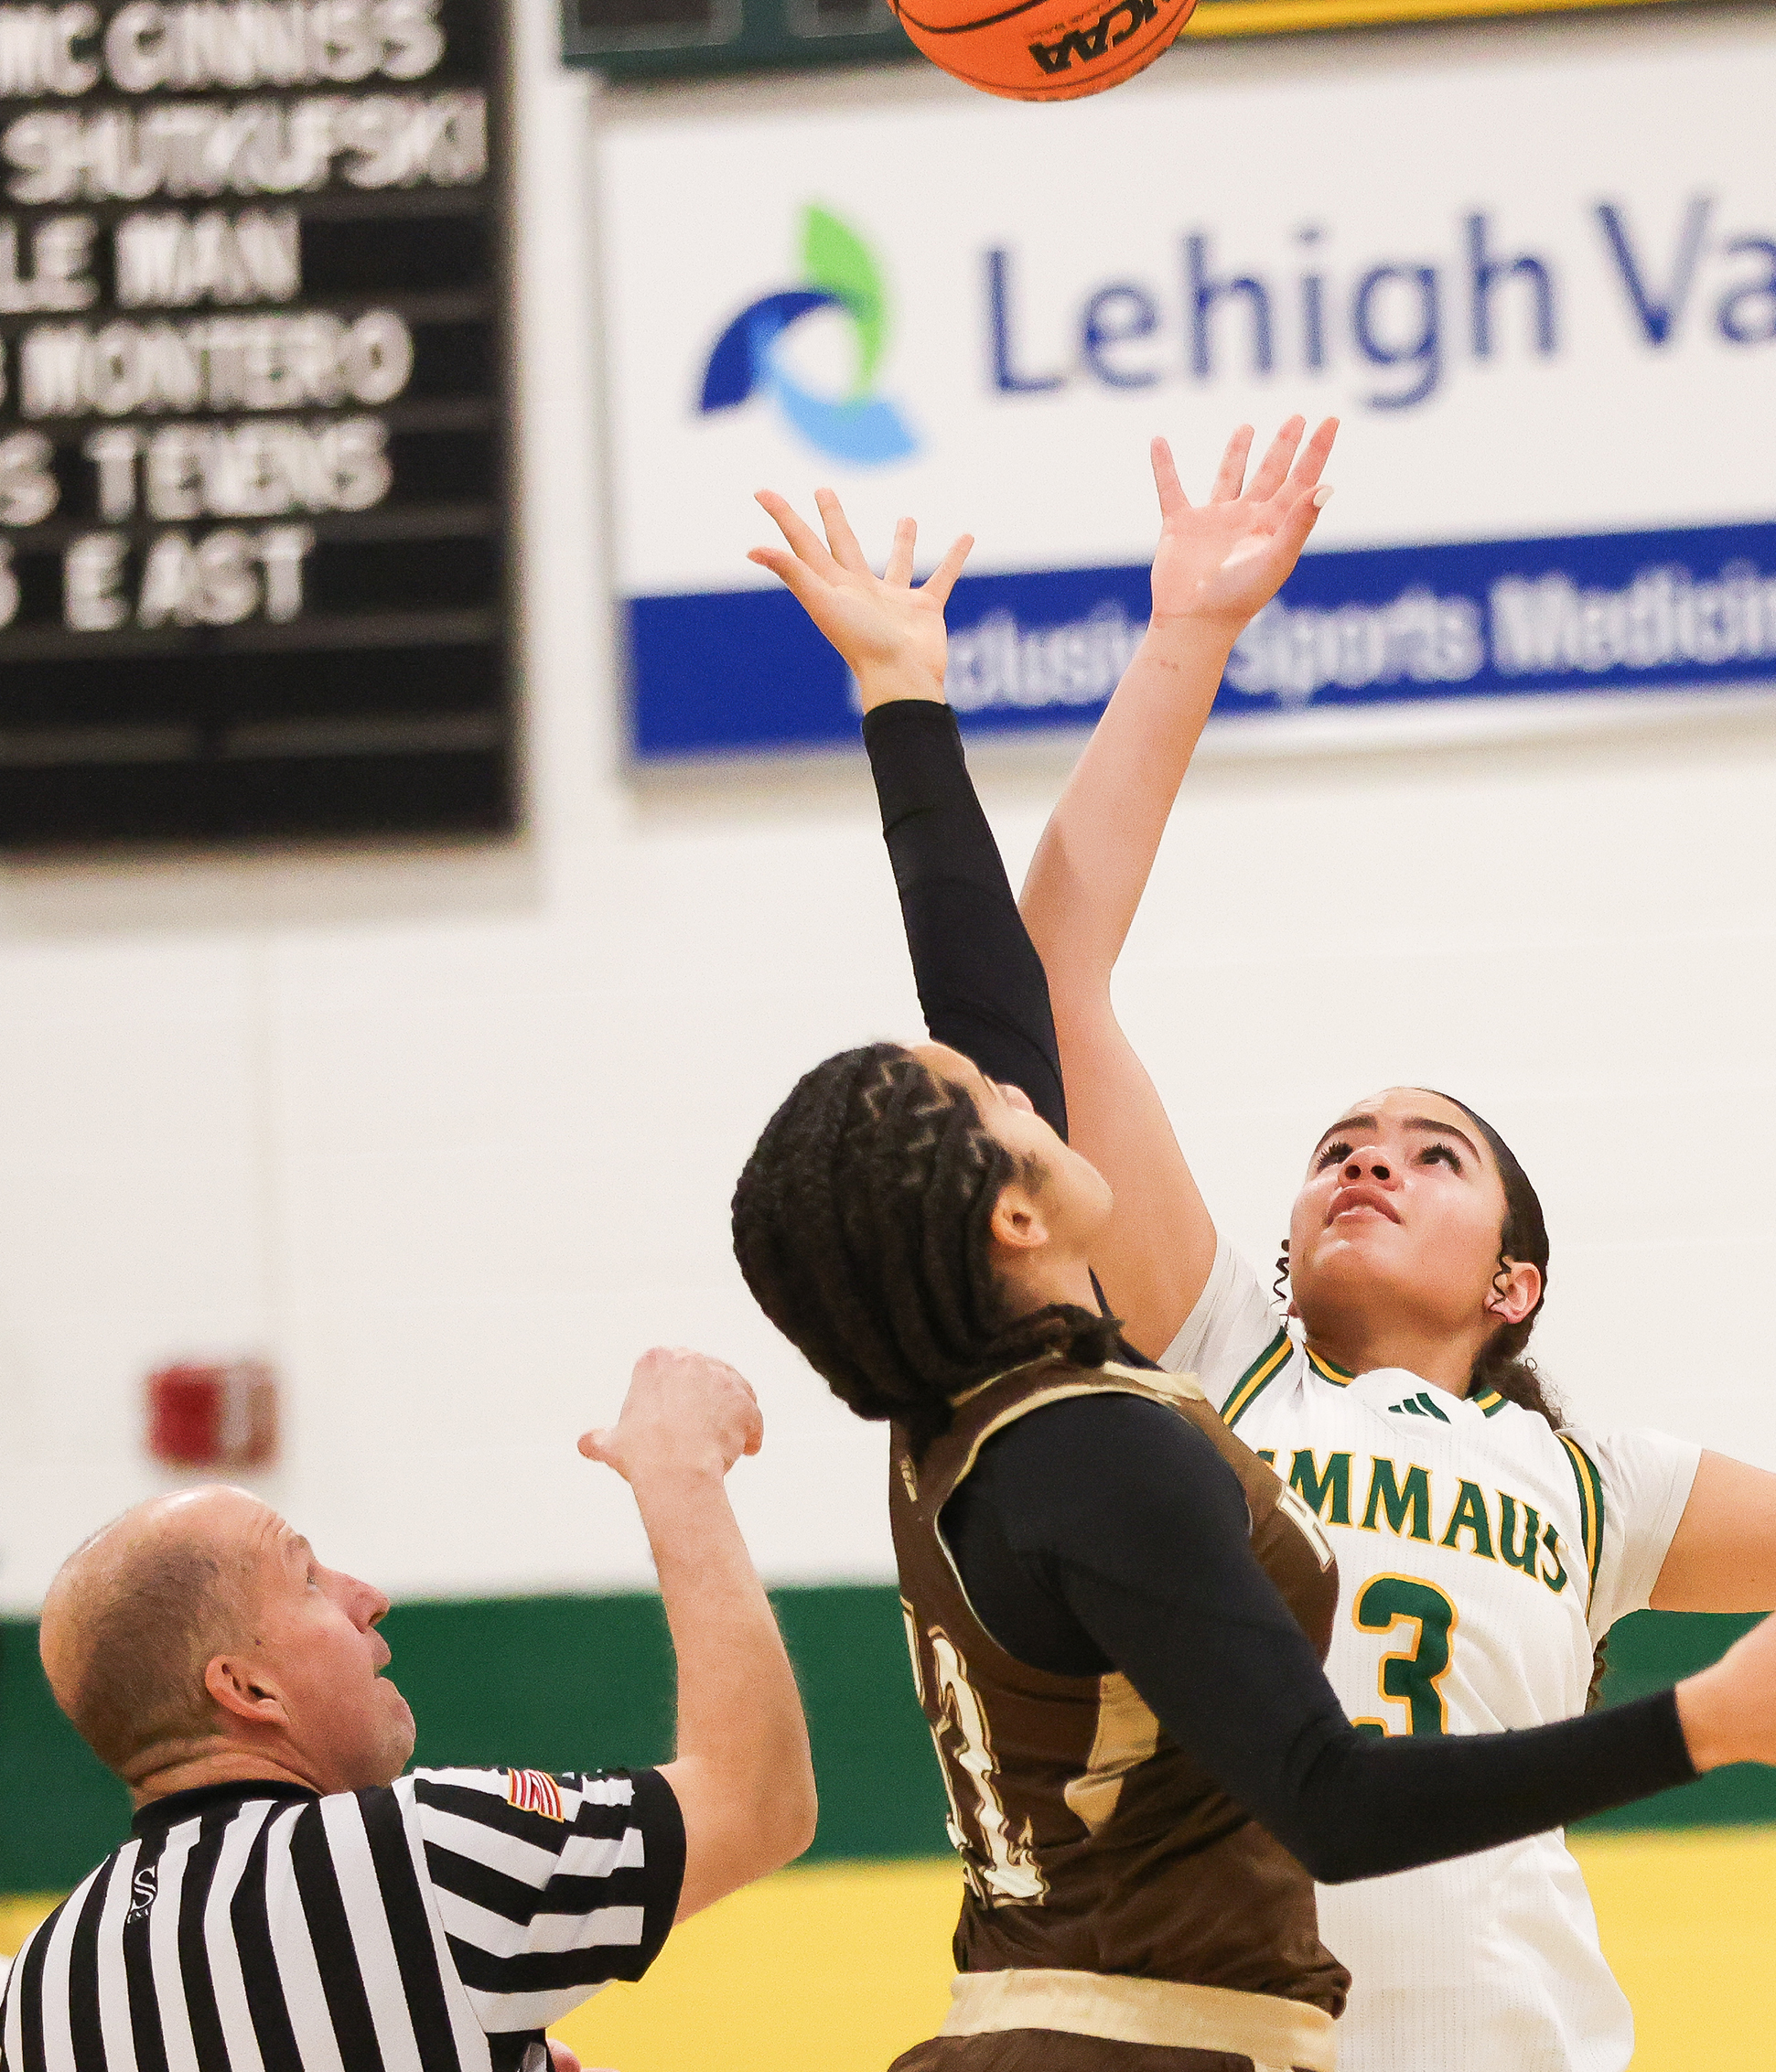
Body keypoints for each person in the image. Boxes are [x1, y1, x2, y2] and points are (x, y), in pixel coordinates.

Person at [730, 478, 1776, 2072]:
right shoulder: (1196, 1366)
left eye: (1437, 1156)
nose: (1371, 1159)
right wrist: (1185, 644)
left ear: (1515, 1286)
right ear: (1279, 1253)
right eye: (1340, 1144)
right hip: (1229, 2034)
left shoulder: (1593, 1479)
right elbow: (1045, 981)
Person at [0, 1347, 816, 2072]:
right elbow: (755, 1799)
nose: (369, 1597)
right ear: (247, 1690)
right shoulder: (410, 1857)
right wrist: (678, 1472)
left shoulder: (32, 1996)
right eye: (309, 1580)